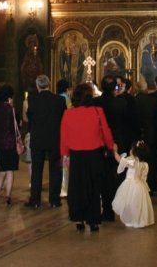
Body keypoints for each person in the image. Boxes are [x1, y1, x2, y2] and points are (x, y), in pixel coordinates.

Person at [60, 83, 115, 232]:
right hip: (94, 154)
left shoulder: (68, 113)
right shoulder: (98, 111)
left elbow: (64, 135)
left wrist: (64, 154)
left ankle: (79, 219)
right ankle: (93, 220)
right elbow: (106, 131)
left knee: (77, 187)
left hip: (76, 155)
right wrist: (111, 146)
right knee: (94, 187)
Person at [94, 75, 140, 221]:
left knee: (101, 176)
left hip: (100, 143)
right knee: (116, 176)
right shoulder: (121, 103)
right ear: (115, 87)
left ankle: (105, 209)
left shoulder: (96, 103)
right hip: (118, 143)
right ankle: (115, 206)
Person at [26, 75, 66, 209]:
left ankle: (35, 200)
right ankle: (54, 200)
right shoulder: (59, 100)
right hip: (55, 139)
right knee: (55, 170)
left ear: (38, 86)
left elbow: (30, 118)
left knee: (36, 170)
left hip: (37, 139)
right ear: (50, 84)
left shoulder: (32, 100)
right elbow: (63, 120)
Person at [112, 140, 155, 228]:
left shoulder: (133, 161)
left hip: (131, 185)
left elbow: (120, 160)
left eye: (132, 149)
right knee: (138, 204)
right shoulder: (145, 164)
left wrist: (115, 151)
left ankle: (131, 220)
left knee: (129, 203)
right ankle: (139, 220)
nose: (130, 150)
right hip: (140, 186)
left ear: (135, 152)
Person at [0, 84, 20, 206]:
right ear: (9, 97)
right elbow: (17, 126)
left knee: (1, 172)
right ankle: (8, 197)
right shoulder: (13, 110)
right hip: (11, 144)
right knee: (10, 172)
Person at [133, 79, 157, 192]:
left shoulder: (134, 101)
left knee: (138, 160)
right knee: (152, 161)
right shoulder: (154, 101)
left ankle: (139, 185)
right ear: (146, 88)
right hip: (151, 135)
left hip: (137, 135)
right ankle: (152, 185)